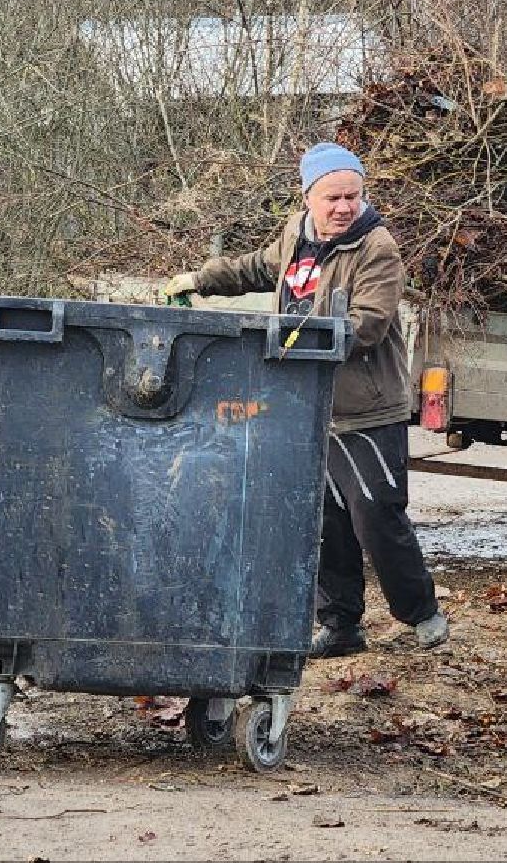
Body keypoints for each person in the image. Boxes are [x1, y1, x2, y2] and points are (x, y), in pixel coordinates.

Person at [162, 141, 448, 658]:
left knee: (375, 515)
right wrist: (200, 279)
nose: (344, 207)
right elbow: (257, 268)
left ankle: (421, 613)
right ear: (308, 195)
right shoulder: (297, 233)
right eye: (333, 197)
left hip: (365, 409)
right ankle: (340, 626)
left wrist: (295, 338)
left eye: (353, 197)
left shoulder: (376, 248)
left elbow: (369, 323)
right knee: (322, 520)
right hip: (306, 404)